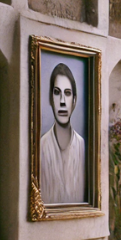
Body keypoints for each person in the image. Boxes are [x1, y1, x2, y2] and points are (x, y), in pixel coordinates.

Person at [40, 62, 86, 203]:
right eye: (57, 92)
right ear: (50, 99)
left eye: (67, 93)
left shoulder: (81, 145)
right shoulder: (42, 145)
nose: (62, 102)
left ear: (74, 100)